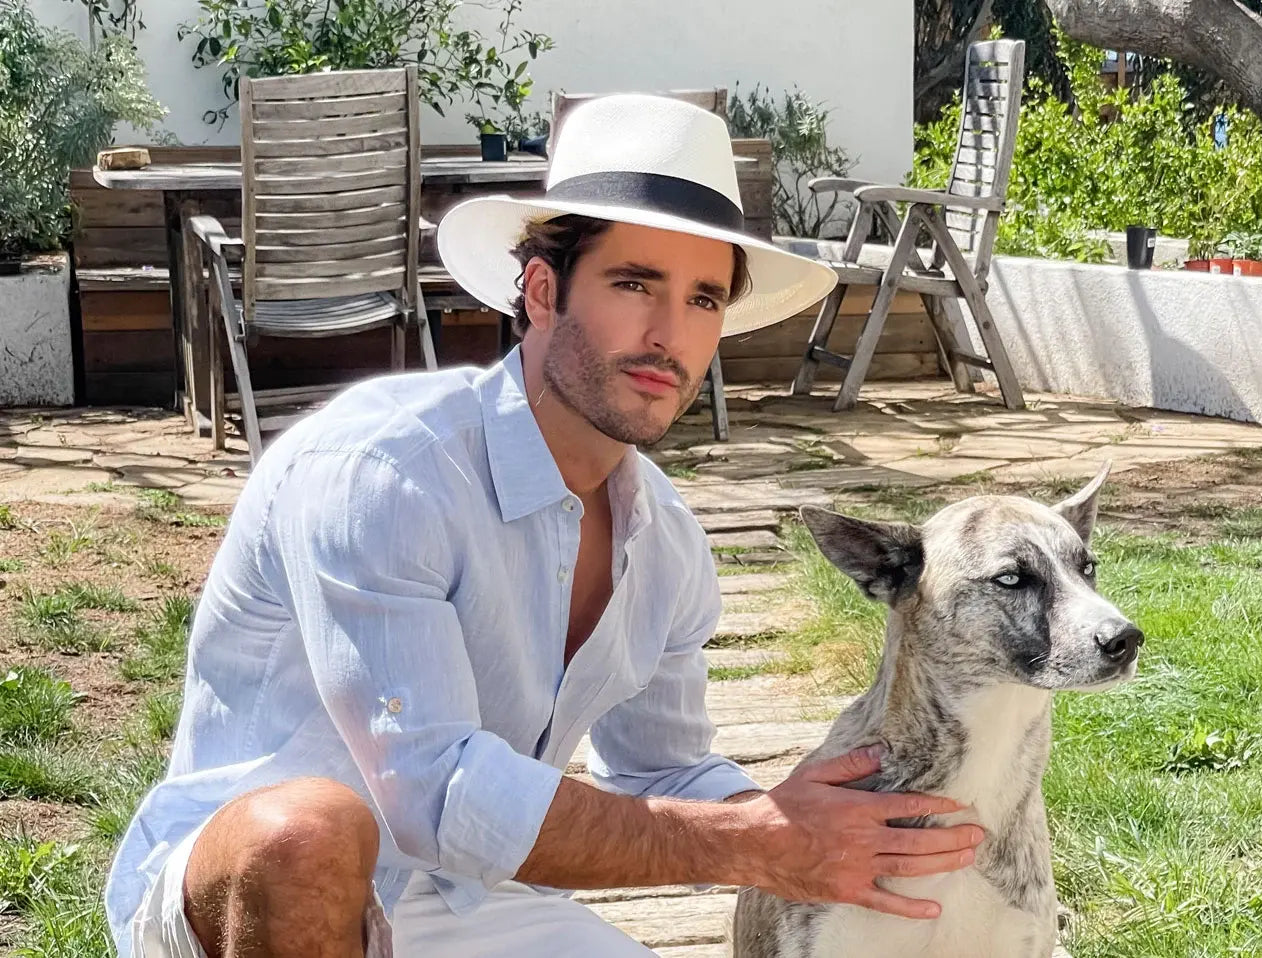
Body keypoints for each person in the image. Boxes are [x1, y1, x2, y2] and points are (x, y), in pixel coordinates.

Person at [104, 94, 986, 958]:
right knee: (304, 832)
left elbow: (661, 772)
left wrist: (803, 812)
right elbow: (434, 791)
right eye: (634, 283)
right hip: (247, 906)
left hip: (474, 900)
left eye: (704, 299)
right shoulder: (382, 472)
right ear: (541, 292)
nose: (667, 333)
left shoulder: (664, 539)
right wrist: (747, 842)